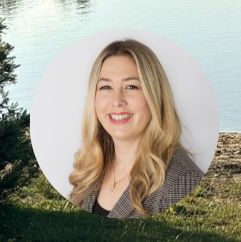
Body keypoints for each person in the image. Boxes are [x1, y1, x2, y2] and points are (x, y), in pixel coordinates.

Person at [68, 39, 203, 218]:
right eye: (105, 87)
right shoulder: (88, 167)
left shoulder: (182, 182)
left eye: (131, 86)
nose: (117, 100)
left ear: (155, 96)